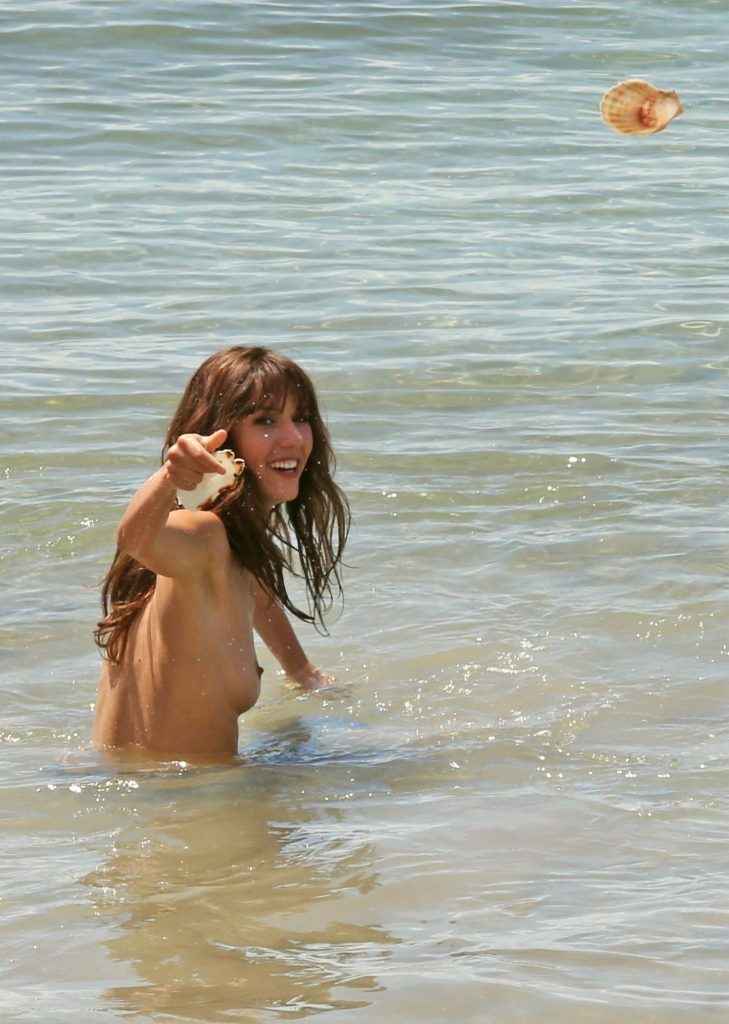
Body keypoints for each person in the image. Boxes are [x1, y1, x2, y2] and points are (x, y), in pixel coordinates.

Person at [92, 346, 350, 760]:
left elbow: (258, 594)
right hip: (192, 794)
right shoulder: (203, 536)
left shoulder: (232, 550)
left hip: (134, 785)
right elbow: (137, 540)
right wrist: (170, 478)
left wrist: (304, 673)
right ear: (222, 437)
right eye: (266, 421)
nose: (293, 438)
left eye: (300, 418)